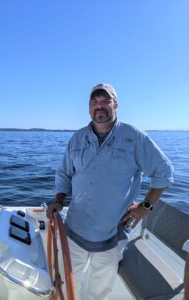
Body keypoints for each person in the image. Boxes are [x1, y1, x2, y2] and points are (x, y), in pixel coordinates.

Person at [47, 83, 174, 300]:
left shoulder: (134, 137)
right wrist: (58, 200)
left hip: (113, 234)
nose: (100, 106)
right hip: (74, 230)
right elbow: (64, 174)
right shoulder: (77, 138)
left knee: (100, 293)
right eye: (94, 101)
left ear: (116, 105)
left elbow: (164, 171)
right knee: (63, 286)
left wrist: (146, 206)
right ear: (89, 108)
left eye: (106, 100)